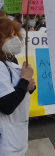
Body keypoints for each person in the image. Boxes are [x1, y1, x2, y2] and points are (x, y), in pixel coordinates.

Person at [0, 17, 36, 155]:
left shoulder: (11, 60)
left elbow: (21, 90)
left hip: (17, 137)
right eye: (8, 36)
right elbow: (7, 105)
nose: (14, 39)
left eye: (15, 34)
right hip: (6, 141)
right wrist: (25, 81)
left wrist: (29, 86)